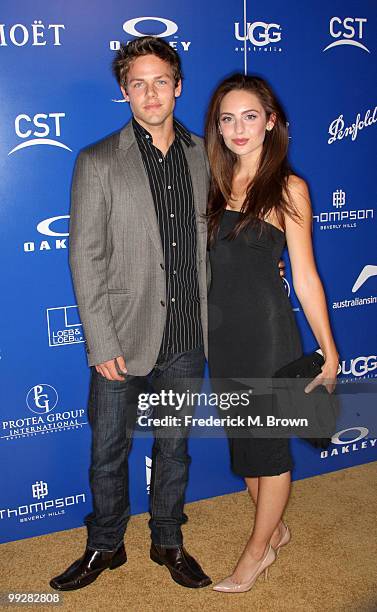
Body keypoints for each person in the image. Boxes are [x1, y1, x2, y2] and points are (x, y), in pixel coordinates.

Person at [49, 36, 212, 591]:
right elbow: (85, 258)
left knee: (174, 450)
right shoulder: (96, 161)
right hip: (120, 336)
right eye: (137, 83)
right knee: (108, 451)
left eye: (160, 81)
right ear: (124, 92)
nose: (150, 93)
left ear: (178, 86)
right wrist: (100, 342)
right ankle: (105, 546)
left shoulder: (203, 155)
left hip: (188, 334)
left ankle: (168, 539)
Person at [205, 74, 339, 593]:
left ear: (272, 121)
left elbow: (304, 275)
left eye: (250, 116)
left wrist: (329, 349)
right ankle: (276, 528)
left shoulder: (289, 187)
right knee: (245, 451)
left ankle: (256, 554)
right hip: (222, 336)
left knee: (268, 449)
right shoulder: (213, 179)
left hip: (265, 334)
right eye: (227, 118)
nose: (238, 128)